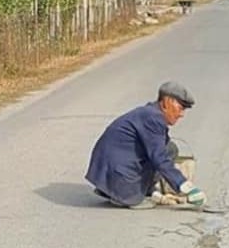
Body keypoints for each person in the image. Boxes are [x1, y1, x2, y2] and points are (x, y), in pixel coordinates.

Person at [85, 81, 206, 209]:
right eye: (180, 108)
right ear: (166, 102)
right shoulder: (153, 119)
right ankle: (125, 195)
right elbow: (159, 157)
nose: (181, 114)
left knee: (170, 148)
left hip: (107, 170)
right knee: (162, 154)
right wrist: (186, 187)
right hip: (116, 172)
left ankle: (138, 190)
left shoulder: (149, 113)